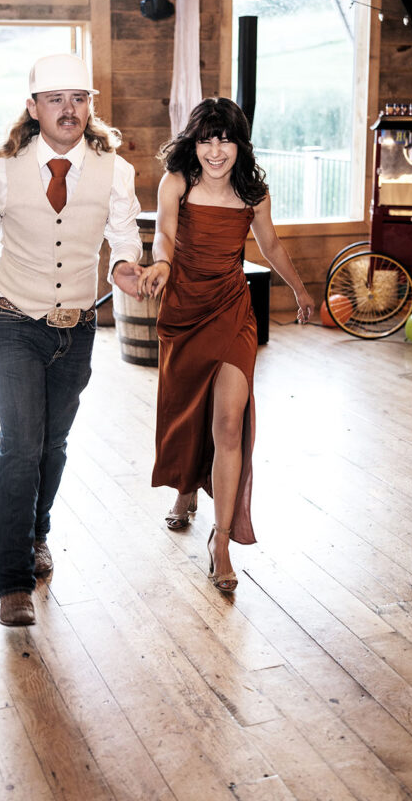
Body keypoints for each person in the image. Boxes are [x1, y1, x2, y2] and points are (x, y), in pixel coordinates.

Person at [0, 53, 143, 627]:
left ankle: (38, 533)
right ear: (33, 107)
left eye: (79, 98)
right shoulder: (0, 170)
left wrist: (123, 264)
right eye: (56, 99)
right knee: (20, 446)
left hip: (78, 327)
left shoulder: (115, 170)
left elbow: (124, 236)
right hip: (12, 322)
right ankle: (12, 581)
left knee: (54, 445)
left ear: (90, 105)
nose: (69, 109)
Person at [138, 97, 314, 594]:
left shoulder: (253, 192)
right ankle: (186, 489)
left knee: (229, 425)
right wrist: (162, 263)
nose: (216, 151)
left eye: (226, 140)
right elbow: (164, 234)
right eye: (206, 140)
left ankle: (221, 542)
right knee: (187, 411)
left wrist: (301, 290)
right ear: (193, 144)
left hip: (233, 311)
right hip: (185, 311)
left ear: (240, 144)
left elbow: (271, 245)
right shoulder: (177, 182)